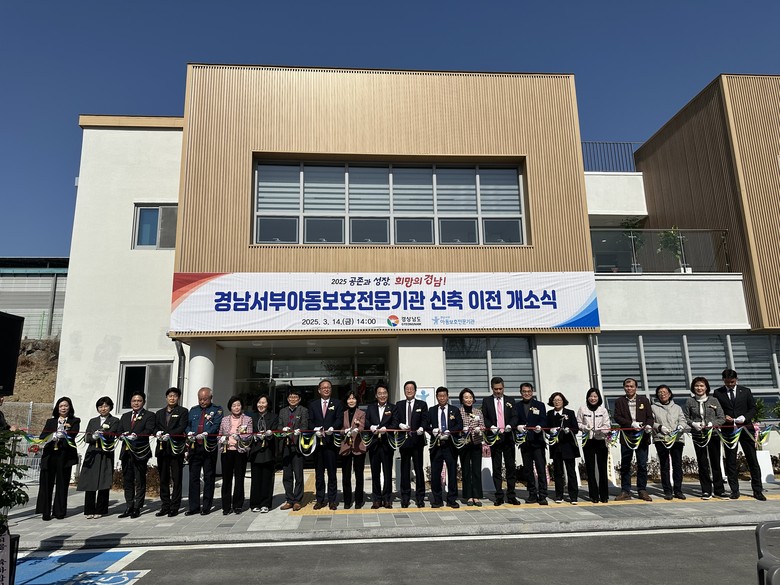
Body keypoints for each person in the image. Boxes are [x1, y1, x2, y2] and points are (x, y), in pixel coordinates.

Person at [713, 368, 765, 500]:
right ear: (723, 380)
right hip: (728, 429)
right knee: (731, 461)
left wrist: (744, 417)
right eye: (727, 382)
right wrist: (725, 417)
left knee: (752, 460)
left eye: (732, 382)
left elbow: (753, 408)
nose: (730, 384)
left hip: (746, 429)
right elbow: (717, 410)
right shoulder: (718, 393)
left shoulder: (745, 391)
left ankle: (757, 490)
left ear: (736, 379)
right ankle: (734, 490)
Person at [36, 397, 80, 520]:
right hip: (50, 455)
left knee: (62, 483)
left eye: (66, 406)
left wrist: (65, 433)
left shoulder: (74, 420)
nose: (63, 408)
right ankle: (45, 512)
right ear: (57, 408)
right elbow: (43, 436)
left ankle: (59, 511)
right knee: (47, 483)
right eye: (61, 406)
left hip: (64, 455)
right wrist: (52, 436)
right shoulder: (51, 421)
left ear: (69, 407)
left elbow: (73, 434)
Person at [683, 376, 727, 499]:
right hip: (698, 435)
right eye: (697, 386)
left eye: (702, 386)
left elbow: (722, 417)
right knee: (702, 463)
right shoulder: (689, 401)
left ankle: (719, 490)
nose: (699, 388)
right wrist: (693, 424)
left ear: (706, 387)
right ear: (693, 388)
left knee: (715, 462)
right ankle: (706, 490)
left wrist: (712, 423)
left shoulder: (714, 400)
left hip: (713, 434)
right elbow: (685, 417)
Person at [77, 396, 120, 518]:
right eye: (100, 406)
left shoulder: (114, 420)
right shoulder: (93, 421)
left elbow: (113, 434)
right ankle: (89, 509)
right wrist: (93, 437)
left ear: (110, 407)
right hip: (93, 452)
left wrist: (103, 435)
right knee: (90, 480)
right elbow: (86, 437)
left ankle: (101, 509)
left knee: (103, 480)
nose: (103, 409)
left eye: (106, 406)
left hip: (105, 453)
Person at [613, 377, 654, 502]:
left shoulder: (644, 400)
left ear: (636, 387)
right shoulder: (619, 401)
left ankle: (642, 490)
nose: (629, 388)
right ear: (624, 387)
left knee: (642, 464)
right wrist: (631, 423)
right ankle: (625, 491)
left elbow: (650, 417)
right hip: (627, 436)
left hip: (642, 436)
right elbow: (617, 417)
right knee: (625, 464)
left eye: (631, 386)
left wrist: (648, 425)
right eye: (627, 386)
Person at [481, 376, 520, 505]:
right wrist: (491, 426)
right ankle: (499, 495)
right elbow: (484, 417)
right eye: (496, 389)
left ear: (503, 388)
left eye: (500, 389)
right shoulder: (486, 401)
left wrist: (510, 425)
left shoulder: (510, 400)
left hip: (508, 437)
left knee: (510, 467)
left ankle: (511, 495)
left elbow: (515, 416)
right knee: (496, 467)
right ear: (492, 388)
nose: (498, 391)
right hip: (495, 437)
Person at [185, 387, 224, 515]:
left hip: (209, 447)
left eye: (205, 399)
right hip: (195, 447)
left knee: (209, 476)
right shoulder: (193, 410)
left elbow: (216, 425)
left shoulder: (217, 410)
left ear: (211, 398)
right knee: (194, 477)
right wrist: (189, 433)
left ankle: (206, 506)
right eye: (200, 399)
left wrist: (207, 433)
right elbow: (187, 425)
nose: (202, 401)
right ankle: (193, 507)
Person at [117, 391, 156, 518]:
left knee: (139, 480)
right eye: (134, 401)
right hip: (126, 453)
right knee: (127, 480)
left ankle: (137, 507)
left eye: (139, 401)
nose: (136, 403)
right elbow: (119, 431)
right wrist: (121, 435)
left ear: (143, 402)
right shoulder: (125, 416)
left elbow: (149, 430)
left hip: (140, 452)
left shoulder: (149, 415)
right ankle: (129, 506)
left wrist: (137, 436)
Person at [154, 387, 189, 517]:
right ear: (166, 397)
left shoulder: (183, 411)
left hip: (176, 449)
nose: (172, 398)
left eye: (175, 396)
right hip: (162, 449)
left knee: (176, 478)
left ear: (178, 398)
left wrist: (169, 434)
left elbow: (182, 426)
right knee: (163, 479)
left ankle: (175, 506)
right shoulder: (159, 413)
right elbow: (155, 427)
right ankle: (165, 506)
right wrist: (157, 433)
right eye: (170, 396)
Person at [309, 379, 344, 510]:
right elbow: (310, 421)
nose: (326, 389)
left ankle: (332, 500)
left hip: (331, 443)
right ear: (319, 390)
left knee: (332, 473)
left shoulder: (337, 403)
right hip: (318, 443)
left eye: (328, 387)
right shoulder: (313, 404)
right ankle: (320, 499)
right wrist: (315, 429)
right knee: (319, 473)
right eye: (323, 387)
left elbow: (339, 418)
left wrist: (332, 428)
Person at [426, 386, 463, 508]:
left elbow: (459, 425)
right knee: (435, 473)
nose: (442, 398)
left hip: (450, 445)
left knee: (452, 472)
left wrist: (449, 431)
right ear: (437, 397)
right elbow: (426, 425)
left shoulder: (454, 410)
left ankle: (452, 499)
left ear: (447, 397)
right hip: (436, 445)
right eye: (440, 396)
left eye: (444, 396)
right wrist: (432, 430)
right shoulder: (432, 410)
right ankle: (437, 499)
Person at [394, 380, 428, 508]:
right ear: (404, 391)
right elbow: (395, 419)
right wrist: (400, 425)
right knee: (405, 469)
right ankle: (405, 497)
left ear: (415, 390)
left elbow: (425, 419)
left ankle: (420, 497)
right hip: (404, 441)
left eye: (411, 389)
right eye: (407, 389)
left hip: (417, 441)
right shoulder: (399, 404)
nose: (409, 391)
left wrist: (422, 428)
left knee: (418, 469)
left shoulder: (422, 404)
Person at [651, 385, 688, 500]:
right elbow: (650, 421)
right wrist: (659, 427)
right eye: (660, 392)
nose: (662, 394)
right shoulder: (653, 407)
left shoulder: (677, 407)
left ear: (670, 394)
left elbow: (683, 420)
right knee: (664, 465)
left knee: (677, 465)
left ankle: (678, 490)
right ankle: (667, 491)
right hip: (661, 438)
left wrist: (681, 426)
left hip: (676, 439)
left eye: (665, 392)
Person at [576, 388, 612, 503]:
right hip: (588, 440)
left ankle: (604, 495)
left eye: (595, 396)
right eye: (591, 396)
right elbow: (578, 423)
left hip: (601, 440)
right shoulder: (582, 409)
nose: (593, 398)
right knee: (590, 468)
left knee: (602, 468)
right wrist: (584, 427)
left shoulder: (603, 410)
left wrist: (602, 429)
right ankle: (593, 495)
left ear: (599, 398)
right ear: (587, 398)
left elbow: (608, 425)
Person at [218, 396, 252, 515]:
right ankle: (226, 506)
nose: (236, 407)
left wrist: (240, 437)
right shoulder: (224, 419)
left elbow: (249, 434)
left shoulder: (247, 419)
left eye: (238, 405)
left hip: (240, 451)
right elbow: (219, 434)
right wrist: (221, 439)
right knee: (226, 479)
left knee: (239, 478)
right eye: (234, 406)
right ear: (230, 407)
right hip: (227, 451)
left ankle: (238, 505)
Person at [516, 383, 548, 505]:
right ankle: (532, 494)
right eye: (524, 391)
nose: (527, 393)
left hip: (537, 442)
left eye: (529, 391)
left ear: (532, 392)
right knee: (528, 470)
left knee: (541, 469)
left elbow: (544, 419)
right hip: (525, 442)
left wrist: (540, 426)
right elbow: (515, 420)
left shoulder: (539, 405)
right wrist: (517, 427)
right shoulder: (517, 406)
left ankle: (543, 495)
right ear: (521, 393)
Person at [366, 381, 395, 509]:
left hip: (387, 444)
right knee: (375, 472)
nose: (382, 395)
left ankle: (387, 498)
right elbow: (366, 421)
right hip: (374, 444)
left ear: (387, 394)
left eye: (384, 393)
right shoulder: (371, 408)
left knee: (387, 472)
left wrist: (386, 429)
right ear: (376, 395)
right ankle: (377, 499)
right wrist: (371, 426)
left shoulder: (392, 408)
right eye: (380, 393)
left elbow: (395, 422)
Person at [546, 392, 580, 504]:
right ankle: (559, 495)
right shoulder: (549, 414)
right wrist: (550, 430)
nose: (557, 402)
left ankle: (573, 496)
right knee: (557, 472)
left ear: (563, 401)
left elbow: (576, 429)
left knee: (571, 472)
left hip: (568, 446)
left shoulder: (570, 413)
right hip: (556, 447)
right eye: (555, 400)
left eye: (559, 400)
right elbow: (546, 428)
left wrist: (569, 430)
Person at [278, 387, 308, 511]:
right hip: (285, 446)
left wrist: (299, 431)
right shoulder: (282, 411)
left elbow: (305, 426)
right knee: (287, 475)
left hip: (297, 445)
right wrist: (282, 429)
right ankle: (289, 499)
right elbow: (279, 426)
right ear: (287, 399)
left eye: (295, 397)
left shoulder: (303, 410)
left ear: (299, 399)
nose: (293, 399)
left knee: (298, 475)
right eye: (291, 397)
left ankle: (297, 500)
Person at [249, 394, 276, 513]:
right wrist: (254, 436)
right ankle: (255, 503)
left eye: (263, 403)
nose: (261, 405)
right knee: (255, 479)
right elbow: (247, 431)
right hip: (255, 450)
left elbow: (275, 431)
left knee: (267, 478)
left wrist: (269, 434)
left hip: (268, 450)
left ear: (268, 404)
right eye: (259, 403)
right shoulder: (251, 417)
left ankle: (265, 503)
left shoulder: (274, 417)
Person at [339, 390, 366, 509]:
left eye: (353, 398)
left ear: (357, 400)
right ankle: (347, 500)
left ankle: (359, 500)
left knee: (359, 475)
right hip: (346, 446)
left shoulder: (361, 413)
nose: (351, 401)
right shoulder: (343, 413)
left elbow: (362, 426)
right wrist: (343, 431)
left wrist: (357, 428)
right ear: (346, 401)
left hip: (358, 446)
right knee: (346, 476)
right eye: (349, 398)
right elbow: (339, 428)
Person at [458, 388, 484, 506]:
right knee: (466, 470)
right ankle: (468, 496)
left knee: (476, 470)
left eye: (470, 397)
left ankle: (477, 496)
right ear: (462, 400)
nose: (468, 400)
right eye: (466, 397)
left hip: (476, 443)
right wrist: (461, 429)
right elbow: (456, 426)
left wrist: (479, 429)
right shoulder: (459, 412)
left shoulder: (478, 412)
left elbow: (482, 425)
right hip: (464, 443)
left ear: (473, 399)